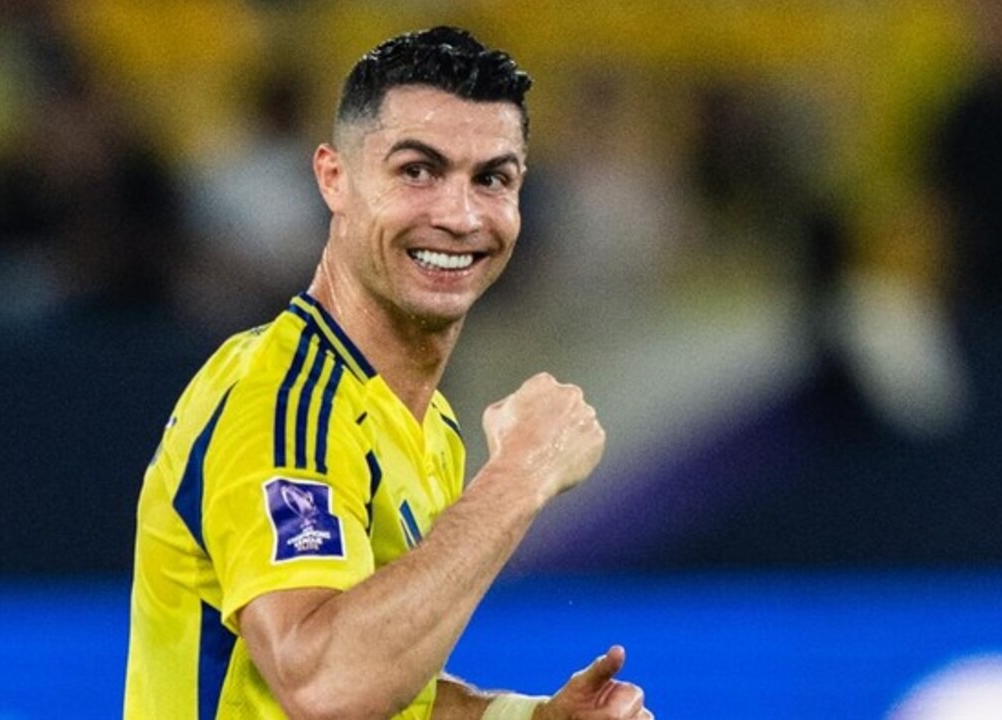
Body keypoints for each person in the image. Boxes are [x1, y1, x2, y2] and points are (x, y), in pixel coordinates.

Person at [124, 26, 653, 720]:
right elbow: (324, 685)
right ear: (333, 179)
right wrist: (521, 472)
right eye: (417, 171)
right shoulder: (285, 405)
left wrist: (526, 718)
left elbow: (382, 677)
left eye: (492, 179)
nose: (459, 216)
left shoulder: (423, 422)